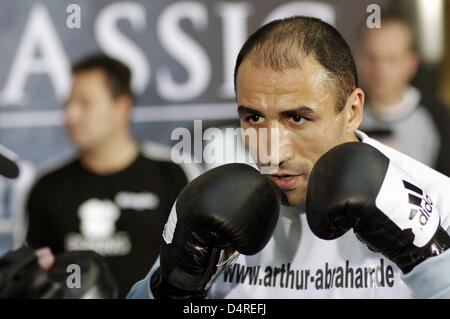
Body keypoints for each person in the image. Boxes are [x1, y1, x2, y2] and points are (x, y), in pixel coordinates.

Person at [127, 16, 450, 299]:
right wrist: (173, 288)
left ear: (352, 111)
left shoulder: (436, 202)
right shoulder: (220, 211)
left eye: (297, 119)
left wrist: (429, 258)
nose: (271, 152)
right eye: (253, 118)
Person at [24, 54, 199, 298]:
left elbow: (198, 268)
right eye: (68, 104)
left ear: (121, 108)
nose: (71, 115)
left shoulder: (172, 174)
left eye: (85, 103)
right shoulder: (47, 186)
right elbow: (31, 278)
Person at [357, 12, 450, 176]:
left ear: (411, 63)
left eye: (391, 59)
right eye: (372, 58)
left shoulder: (438, 117)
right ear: (358, 58)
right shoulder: (344, 111)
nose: (380, 70)